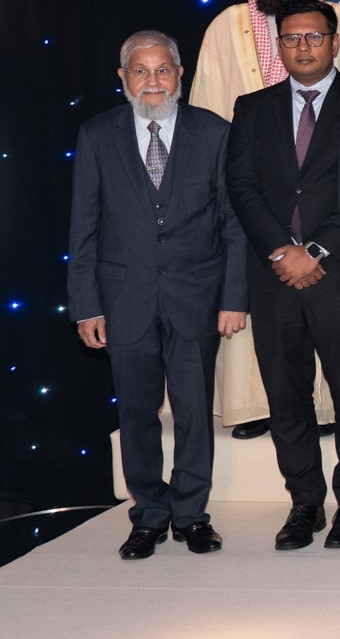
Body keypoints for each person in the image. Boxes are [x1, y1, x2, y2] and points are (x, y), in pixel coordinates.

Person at [190, 0, 340, 441]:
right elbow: (205, 109)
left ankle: (326, 410)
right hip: (249, 203)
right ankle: (253, 407)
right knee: (264, 324)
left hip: (329, 210)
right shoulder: (225, 26)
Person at [71, 30, 248, 560]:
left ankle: (192, 515)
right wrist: (86, 305)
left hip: (197, 298)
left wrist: (234, 297)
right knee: (137, 414)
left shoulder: (214, 132)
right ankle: (148, 515)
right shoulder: (97, 135)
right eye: (141, 71)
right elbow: (83, 226)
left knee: (195, 411)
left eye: (162, 70)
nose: (153, 81)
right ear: (123, 78)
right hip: (124, 301)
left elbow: (233, 224)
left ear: (180, 75)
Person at [224, 3, 340, 551]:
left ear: (334, 43)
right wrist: (279, 250)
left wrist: (313, 250)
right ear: (280, 46)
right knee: (286, 398)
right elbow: (241, 186)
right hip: (273, 278)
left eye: (314, 37)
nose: (303, 47)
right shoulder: (252, 108)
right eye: (291, 39)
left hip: (339, 274)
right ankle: (305, 504)